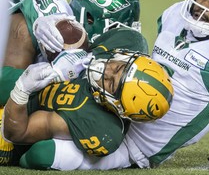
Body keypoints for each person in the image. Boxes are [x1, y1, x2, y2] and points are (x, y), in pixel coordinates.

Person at [15, 0, 209, 174]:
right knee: (40, 64)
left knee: (42, 154)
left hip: (131, 145)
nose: (202, 6)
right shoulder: (176, 16)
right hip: (109, 96)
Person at [0, 0, 142, 165]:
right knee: (23, 27)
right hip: (9, 66)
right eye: (115, 28)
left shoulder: (118, 55)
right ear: (89, 19)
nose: (118, 38)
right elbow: (3, 83)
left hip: (40, 108)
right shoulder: (53, 14)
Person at [1, 27, 174, 166]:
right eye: (118, 68)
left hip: (19, 114)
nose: (106, 71)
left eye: (111, 84)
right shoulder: (128, 42)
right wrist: (75, 50)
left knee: (33, 153)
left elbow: (17, 133)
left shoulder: (98, 125)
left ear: (118, 107)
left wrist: (22, 89)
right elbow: (80, 38)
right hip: (34, 77)